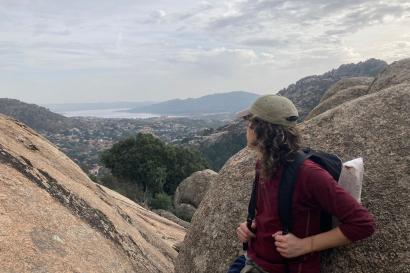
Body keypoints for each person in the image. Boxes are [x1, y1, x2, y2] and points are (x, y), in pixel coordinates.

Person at [229, 95, 376, 273]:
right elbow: (273, 213)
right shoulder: (264, 163)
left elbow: (363, 223)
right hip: (251, 260)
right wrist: (249, 226)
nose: (246, 127)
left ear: (260, 130)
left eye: (249, 122)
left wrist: (305, 245)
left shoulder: (308, 174)